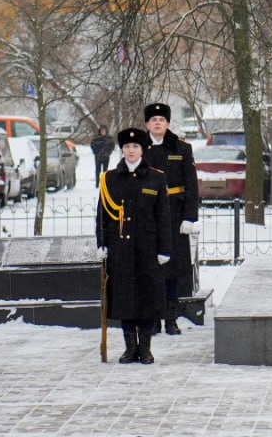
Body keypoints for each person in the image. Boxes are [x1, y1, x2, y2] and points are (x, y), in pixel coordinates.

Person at [96, 127, 172, 365]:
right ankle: (130, 348)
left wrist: (165, 248)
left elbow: (163, 217)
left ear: (142, 149)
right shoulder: (109, 179)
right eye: (127, 147)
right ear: (122, 150)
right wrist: (102, 243)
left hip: (148, 248)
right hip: (121, 249)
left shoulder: (156, 177)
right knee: (124, 297)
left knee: (147, 297)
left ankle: (146, 349)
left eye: (135, 147)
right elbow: (102, 216)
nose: (131, 150)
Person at [141, 102, 199, 334]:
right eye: (153, 120)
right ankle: (154, 318)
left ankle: (171, 318)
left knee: (172, 269)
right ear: (147, 124)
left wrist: (190, 217)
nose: (157, 123)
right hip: (148, 216)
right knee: (150, 268)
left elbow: (191, 185)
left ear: (167, 123)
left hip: (174, 215)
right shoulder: (137, 148)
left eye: (162, 120)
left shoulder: (181, 148)